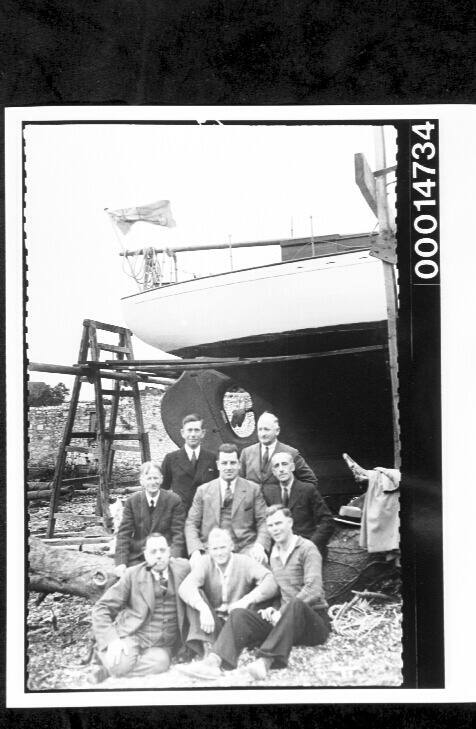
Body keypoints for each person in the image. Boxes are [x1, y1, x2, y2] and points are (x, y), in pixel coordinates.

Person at [182, 504, 330, 680]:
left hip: (313, 623)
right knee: (239, 614)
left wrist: (281, 611)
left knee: (296, 605)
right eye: (271, 525)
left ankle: (264, 663)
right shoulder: (274, 554)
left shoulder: (307, 548)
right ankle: (214, 663)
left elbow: (313, 590)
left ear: (290, 523)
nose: (275, 529)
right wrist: (273, 609)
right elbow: (280, 590)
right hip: (284, 623)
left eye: (278, 523)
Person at [92, 533, 193, 680]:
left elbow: (205, 569)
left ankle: (111, 672)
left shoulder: (183, 568)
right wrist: (112, 640)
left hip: (161, 644)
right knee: (118, 664)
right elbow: (102, 607)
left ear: (169, 551)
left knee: (161, 664)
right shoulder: (133, 575)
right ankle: (113, 666)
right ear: (145, 555)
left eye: (162, 550)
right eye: (153, 552)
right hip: (134, 635)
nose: (159, 556)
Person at [178, 527, 278, 656]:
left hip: (237, 623)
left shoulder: (244, 561)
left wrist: (246, 600)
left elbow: (271, 581)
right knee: (196, 597)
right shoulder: (205, 562)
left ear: (231, 546)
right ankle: (208, 648)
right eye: (214, 549)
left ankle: (220, 653)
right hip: (213, 624)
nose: (219, 553)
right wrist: (203, 608)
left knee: (243, 614)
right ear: (208, 550)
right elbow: (185, 587)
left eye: (223, 547)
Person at [185, 443, 269, 568]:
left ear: (239, 464)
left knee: (261, 570)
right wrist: (196, 551)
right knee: (197, 572)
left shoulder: (253, 489)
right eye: (224, 463)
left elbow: (264, 521)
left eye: (232, 463)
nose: (229, 467)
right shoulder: (203, 491)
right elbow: (191, 523)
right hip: (211, 548)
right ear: (218, 465)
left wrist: (259, 546)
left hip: (244, 548)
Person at [114, 461, 186, 576]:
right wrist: (121, 563)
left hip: (164, 556)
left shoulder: (174, 500)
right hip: (139, 557)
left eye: (156, 478)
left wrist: (173, 557)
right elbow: (124, 534)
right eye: (149, 478)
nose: (153, 482)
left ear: (161, 479)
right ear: (141, 481)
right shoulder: (132, 501)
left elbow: (179, 533)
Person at [263, 451, 334, 557]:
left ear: (292, 467)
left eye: (284, 464)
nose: (281, 469)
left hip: (306, 548)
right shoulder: (268, 493)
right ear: (273, 471)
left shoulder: (307, 489)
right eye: (277, 466)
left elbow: (327, 521)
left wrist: (311, 544)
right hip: (280, 550)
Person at [239, 411, 318, 488]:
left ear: (277, 431)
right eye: (260, 429)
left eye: (266, 429)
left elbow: (310, 481)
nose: (263, 434)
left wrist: (294, 499)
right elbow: (238, 482)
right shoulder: (246, 453)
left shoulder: (291, 452)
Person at [161, 413, 218, 512]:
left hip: (206, 514)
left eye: (196, 430)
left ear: (203, 433)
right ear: (183, 433)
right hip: (180, 516)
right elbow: (162, 489)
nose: (193, 434)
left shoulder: (211, 458)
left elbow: (217, 487)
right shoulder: (171, 459)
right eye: (189, 430)